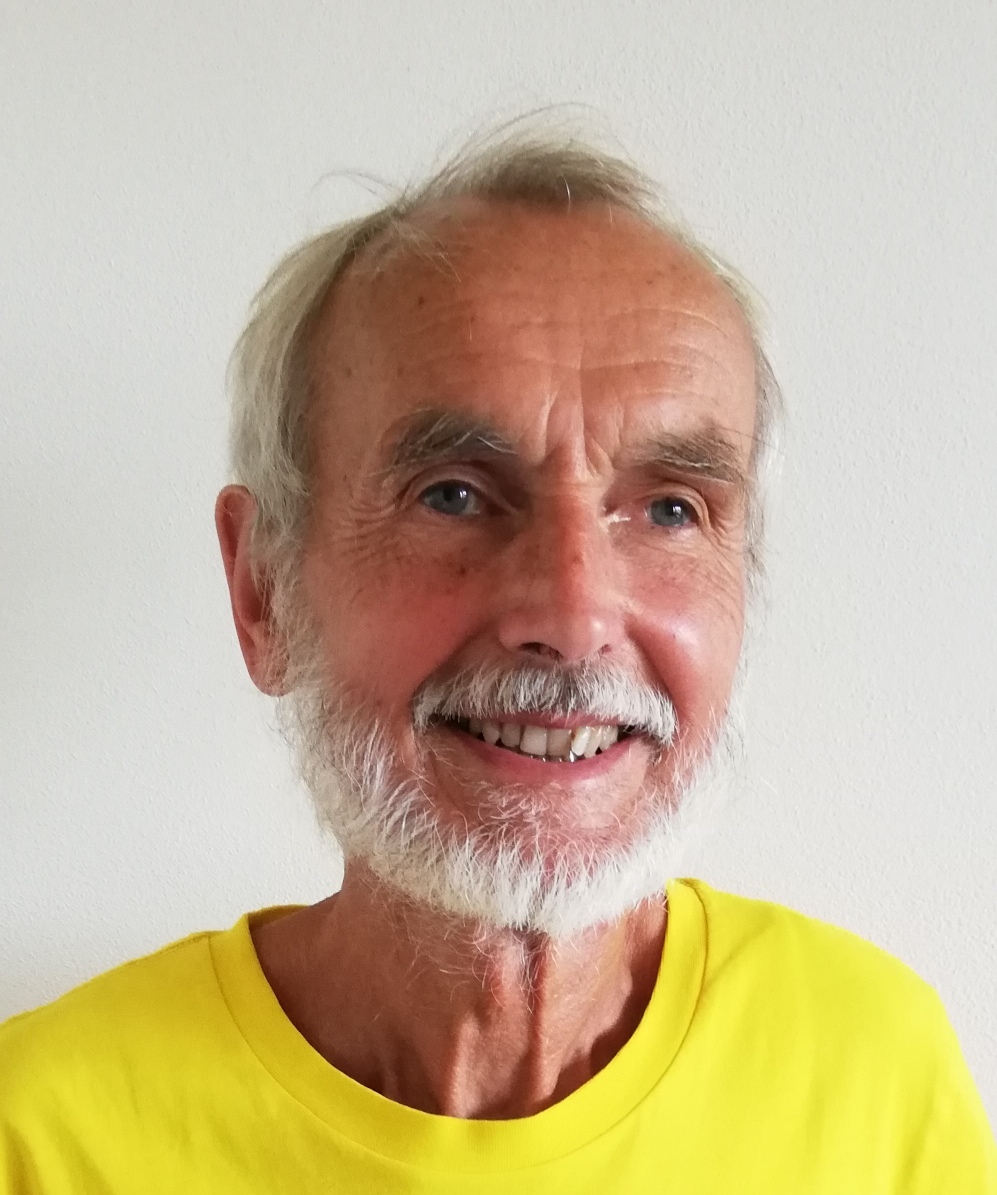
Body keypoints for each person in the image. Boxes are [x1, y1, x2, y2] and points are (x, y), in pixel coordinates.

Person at [2, 125, 994, 1193]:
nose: (573, 615)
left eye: (670, 508)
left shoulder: (873, 1076)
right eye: (453, 494)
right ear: (263, 590)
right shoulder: (43, 1135)